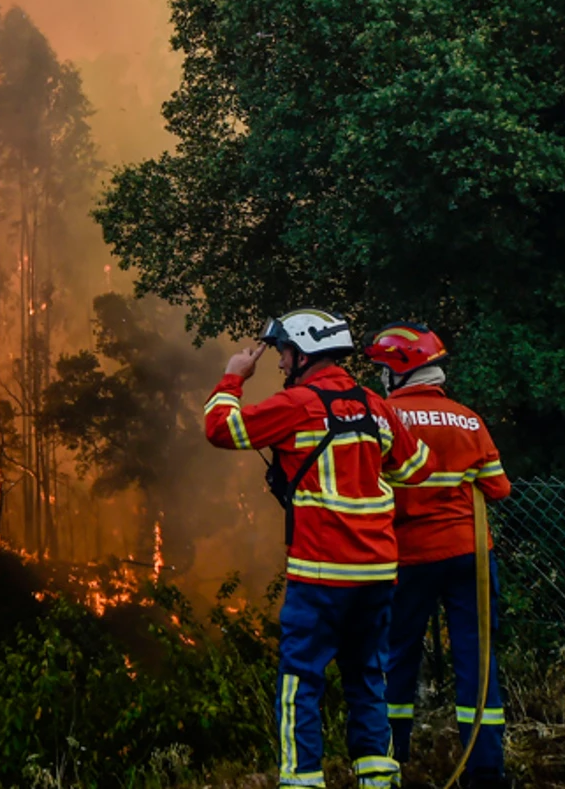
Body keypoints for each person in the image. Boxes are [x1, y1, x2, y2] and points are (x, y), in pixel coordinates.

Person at [205, 309, 434, 789]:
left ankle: (303, 781)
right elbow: (417, 469)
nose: (282, 364)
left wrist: (233, 375)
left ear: (304, 353)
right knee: (369, 678)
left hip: (321, 573)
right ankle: (377, 780)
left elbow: (220, 429)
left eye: (285, 354)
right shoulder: (376, 406)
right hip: (376, 573)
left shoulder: (296, 405)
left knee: (300, 680)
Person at [364, 322, 512, 789]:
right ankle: (485, 769)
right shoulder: (470, 419)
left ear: (397, 372)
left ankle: (390, 760)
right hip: (471, 556)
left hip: (407, 558)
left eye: (383, 369)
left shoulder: (383, 417)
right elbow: (498, 488)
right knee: (476, 659)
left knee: (394, 657)